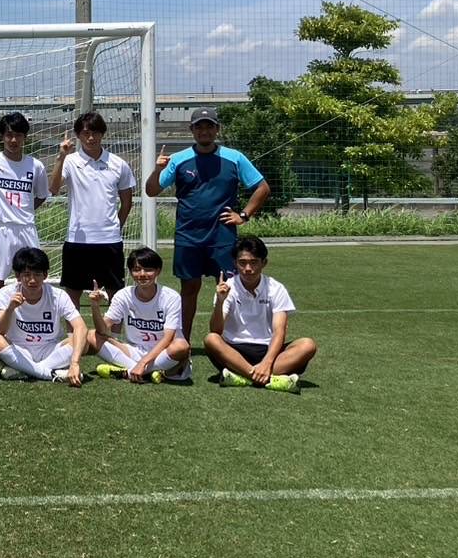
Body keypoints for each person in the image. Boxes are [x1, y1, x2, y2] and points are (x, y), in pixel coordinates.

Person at [144, 107, 271, 341]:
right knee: (189, 290)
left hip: (222, 238)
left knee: (228, 289)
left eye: (209, 126)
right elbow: (151, 190)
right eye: (199, 127)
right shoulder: (178, 159)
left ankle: (232, 341)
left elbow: (262, 188)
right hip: (188, 236)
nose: (204, 131)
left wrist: (243, 215)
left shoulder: (234, 158)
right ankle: (182, 343)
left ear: (217, 129)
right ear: (191, 130)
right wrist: (157, 170)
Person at [203, 235, 316, 393]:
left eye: (254, 262)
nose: (248, 268)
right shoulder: (228, 287)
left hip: (269, 350)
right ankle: (268, 378)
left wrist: (267, 362)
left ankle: (244, 376)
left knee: (307, 345)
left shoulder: (276, 288)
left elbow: (279, 331)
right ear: (235, 263)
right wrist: (220, 301)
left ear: (264, 263)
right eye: (242, 263)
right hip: (234, 350)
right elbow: (216, 330)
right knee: (211, 339)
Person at [0, 112, 49, 335]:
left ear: (25, 138)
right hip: (0, 229)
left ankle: (28, 332)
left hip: (26, 229)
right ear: (2, 136)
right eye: (9, 135)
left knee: (32, 281)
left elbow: (42, 195)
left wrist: (24, 211)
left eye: (19, 135)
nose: (14, 140)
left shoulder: (35, 165)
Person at [47, 111, 134, 309]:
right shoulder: (70, 161)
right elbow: (53, 188)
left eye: (95, 133)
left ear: (103, 133)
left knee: (116, 296)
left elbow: (127, 202)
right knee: (72, 297)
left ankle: (114, 330)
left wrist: (115, 226)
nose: (91, 138)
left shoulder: (118, 164)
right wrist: (61, 157)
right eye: (86, 133)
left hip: (110, 241)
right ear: (78, 135)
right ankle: (75, 330)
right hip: (77, 240)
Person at [0, 247, 89, 387]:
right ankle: (50, 374)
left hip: (50, 350)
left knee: (83, 341)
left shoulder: (57, 295)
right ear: (18, 276)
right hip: (19, 349)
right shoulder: (6, 293)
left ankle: (25, 370)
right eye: (27, 274)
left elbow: (81, 327)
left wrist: (75, 363)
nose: (32, 280)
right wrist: (10, 309)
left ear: (45, 275)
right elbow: (0, 330)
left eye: (37, 274)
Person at [88, 247, 190, 383]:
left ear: (158, 271)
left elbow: (168, 338)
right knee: (91, 335)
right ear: (131, 272)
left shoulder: (171, 297)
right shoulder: (123, 295)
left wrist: (143, 363)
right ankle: (150, 371)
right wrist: (95, 306)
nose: (142, 274)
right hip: (133, 351)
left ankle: (131, 371)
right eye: (137, 270)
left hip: (162, 351)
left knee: (182, 346)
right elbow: (102, 330)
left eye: (148, 269)